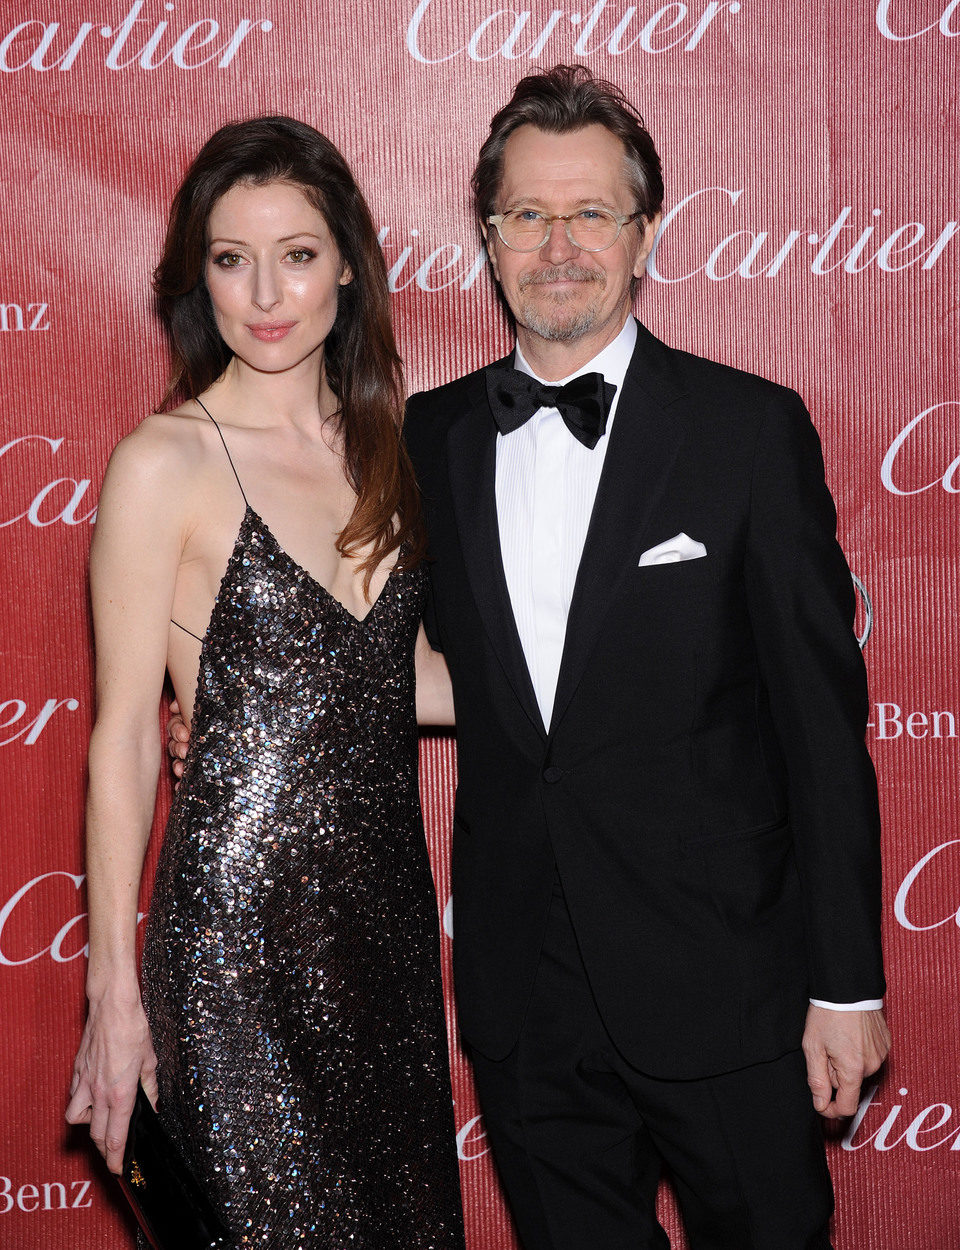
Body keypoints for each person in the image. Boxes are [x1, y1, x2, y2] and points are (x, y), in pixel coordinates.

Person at [402, 67, 890, 1249]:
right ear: (488, 236)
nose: (556, 243)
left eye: (591, 214)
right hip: (526, 993)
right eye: (526, 214)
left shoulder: (747, 429)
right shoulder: (432, 435)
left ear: (646, 235)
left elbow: (822, 729)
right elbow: (454, 677)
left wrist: (847, 983)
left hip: (729, 979)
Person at [66, 116, 464, 1250]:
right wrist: (113, 993)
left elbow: (403, 681)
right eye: (231, 259)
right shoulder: (164, 460)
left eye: (296, 252)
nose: (265, 293)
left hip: (382, 942)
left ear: (348, 258)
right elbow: (126, 740)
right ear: (200, 276)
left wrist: (633, 666)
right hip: (234, 952)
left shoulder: (388, 443)